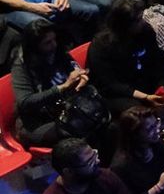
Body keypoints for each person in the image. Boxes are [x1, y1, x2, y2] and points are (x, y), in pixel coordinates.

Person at [10, 20, 104, 151]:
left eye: (54, 39)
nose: (53, 45)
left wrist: (82, 77)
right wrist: (64, 87)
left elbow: (76, 69)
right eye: (47, 43)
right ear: (34, 46)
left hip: (65, 108)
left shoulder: (58, 50)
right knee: (77, 131)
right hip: (37, 120)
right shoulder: (21, 66)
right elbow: (25, 102)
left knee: (100, 118)